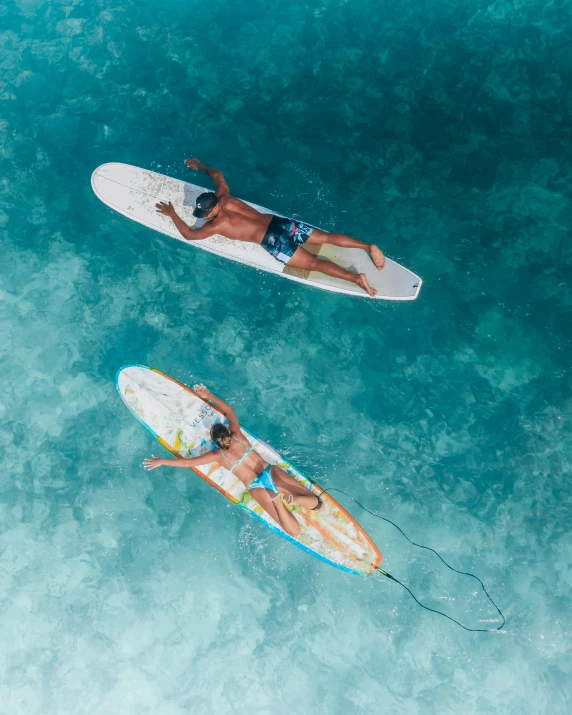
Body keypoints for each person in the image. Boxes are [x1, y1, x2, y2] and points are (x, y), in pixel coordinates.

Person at [155, 158, 386, 297]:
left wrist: (173, 213)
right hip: (278, 222)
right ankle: (368, 246)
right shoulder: (224, 196)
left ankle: (356, 279)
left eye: (204, 214)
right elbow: (217, 174)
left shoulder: (216, 225)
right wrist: (199, 165)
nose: (204, 218)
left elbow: (189, 235)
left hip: (274, 241)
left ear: (212, 209)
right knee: (325, 238)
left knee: (315, 263)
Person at [143, 384, 322, 538]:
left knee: (295, 531)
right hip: (269, 471)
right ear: (227, 432)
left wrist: (162, 461)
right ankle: (296, 498)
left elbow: (188, 463)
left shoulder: (218, 456)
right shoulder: (237, 435)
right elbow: (229, 411)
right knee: (317, 503)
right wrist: (208, 395)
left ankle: (278, 504)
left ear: (215, 443)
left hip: (256, 486)